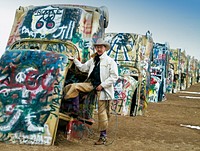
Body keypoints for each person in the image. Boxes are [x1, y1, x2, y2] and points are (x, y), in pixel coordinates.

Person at [63, 38, 118, 145]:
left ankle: (103, 136)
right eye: (97, 47)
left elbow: (114, 77)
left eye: (101, 47)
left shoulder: (110, 61)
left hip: (103, 88)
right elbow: (83, 68)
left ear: (105, 48)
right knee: (73, 87)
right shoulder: (93, 60)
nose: (99, 49)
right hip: (91, 84)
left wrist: (102, 85)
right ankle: (75, 110)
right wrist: (74, 60)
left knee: (103, 113)